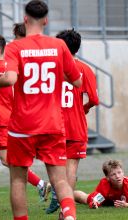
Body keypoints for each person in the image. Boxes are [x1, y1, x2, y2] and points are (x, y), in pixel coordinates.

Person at [0, 1, 82, 219]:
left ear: (25, 19)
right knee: (60, 179)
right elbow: (77, 81)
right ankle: (70, 215)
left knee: (17, 179)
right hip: (52, 123)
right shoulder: (59, 46)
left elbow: (10, 79)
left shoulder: (16, 47)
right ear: (46, 20)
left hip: (22, 126)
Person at [0, 35, 51, 203]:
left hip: (2, 121)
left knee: (8, 161)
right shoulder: (10, 67)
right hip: (2, 119)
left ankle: (40, 183)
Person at [46, 29, 99, 214]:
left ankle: (58, 195)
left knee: (54, 167)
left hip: (53, 125)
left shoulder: (51, 68)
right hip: (76, 126)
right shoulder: (85, 69)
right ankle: (65, 208)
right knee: (71, 169)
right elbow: (94, 99)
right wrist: (82, 109)